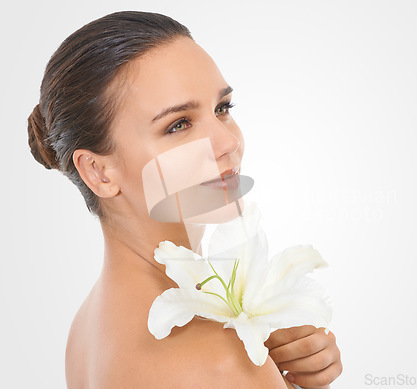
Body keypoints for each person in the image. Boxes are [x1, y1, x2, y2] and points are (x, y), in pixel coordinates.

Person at [27, 11, 342, 388]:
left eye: (222, 109)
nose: (228, 143)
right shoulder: (218, 362)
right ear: (99, 172)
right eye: (178, 125)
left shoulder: (88, 327)